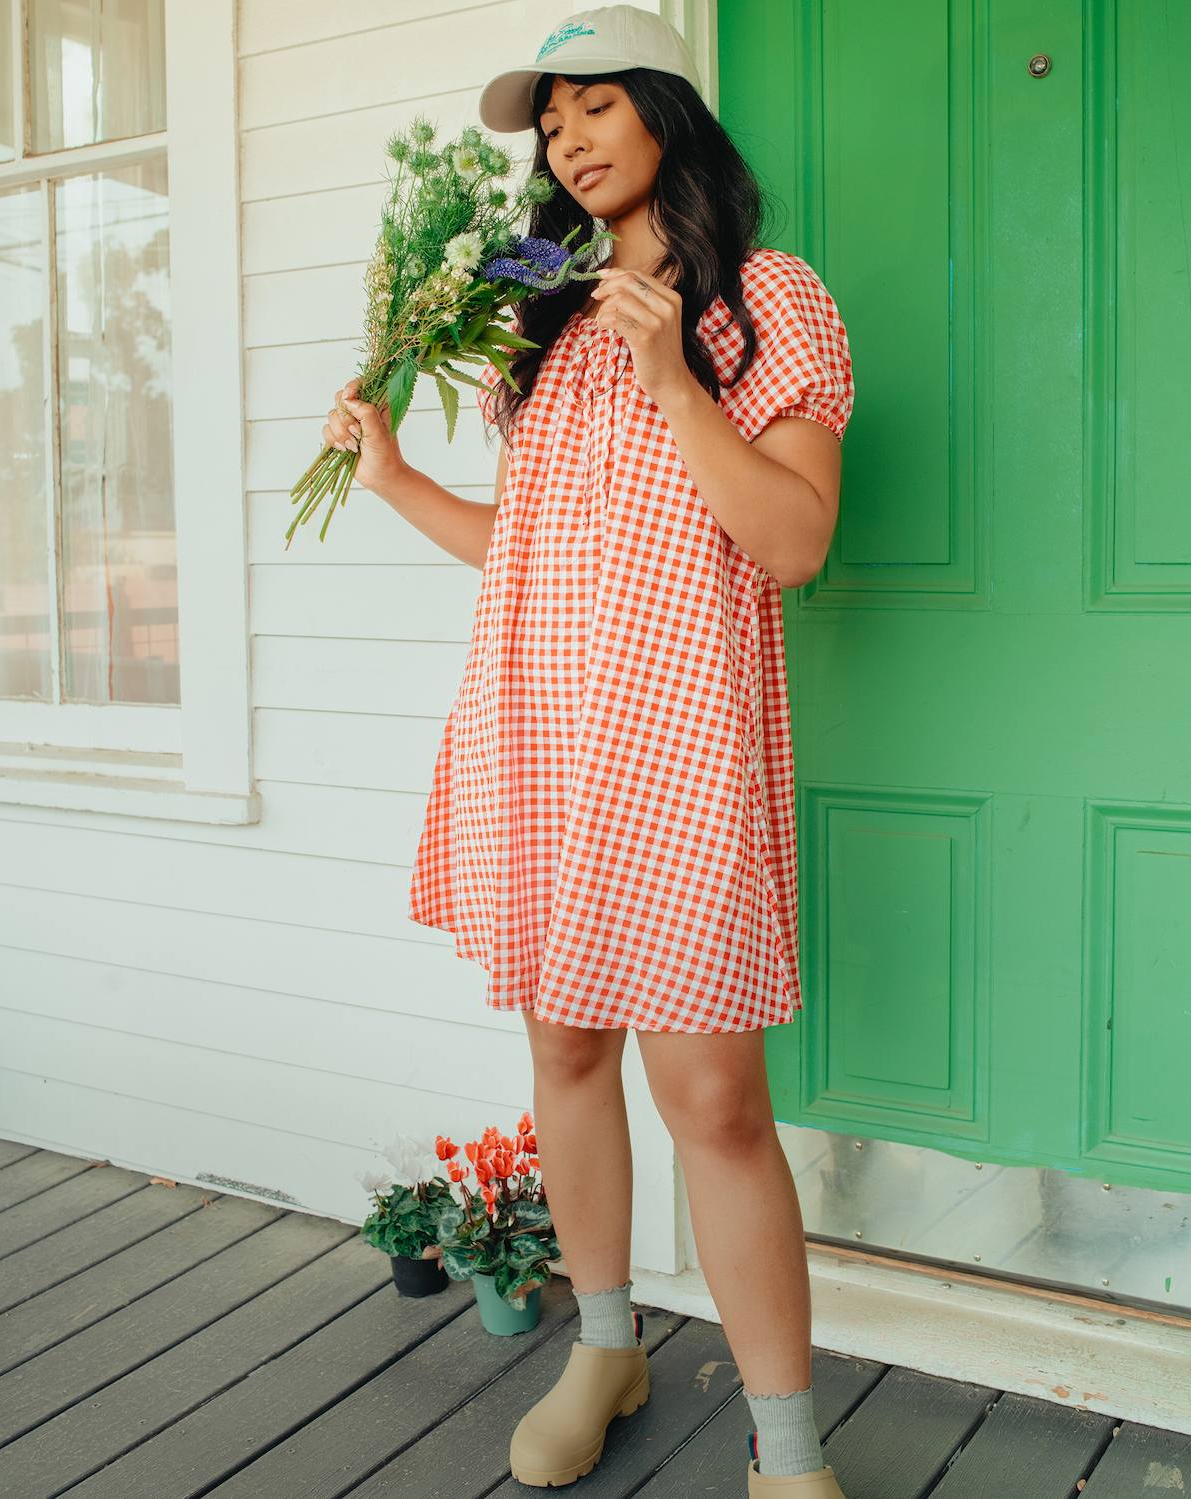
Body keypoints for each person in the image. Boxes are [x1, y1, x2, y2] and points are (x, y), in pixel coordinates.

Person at [323, 7, 854, 1495]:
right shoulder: (531, 318)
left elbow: (796, 541)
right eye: (549, 118)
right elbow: (537, 552)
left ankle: (788, 1441)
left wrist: (681, 378)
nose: (565, 134)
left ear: (669, 117)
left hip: (678, 736)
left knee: (716, 1106)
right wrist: (395, 478)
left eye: (597, 102)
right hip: (539, 723)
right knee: (563, 1047)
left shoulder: (770, 299)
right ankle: (607, 1345)